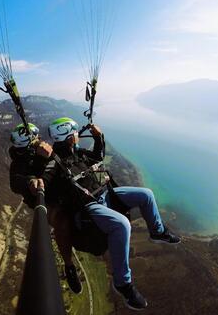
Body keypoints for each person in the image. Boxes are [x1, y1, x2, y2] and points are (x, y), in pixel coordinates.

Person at [33, 117, 180, 311]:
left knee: (146, 195)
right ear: (69, 136)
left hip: (107, 194)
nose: (78, 135)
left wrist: (98, 137)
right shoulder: (54, 162)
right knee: (122, 225)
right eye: (75, 133)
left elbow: (98, 157)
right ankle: (123, 283)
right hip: (88, 206)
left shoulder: (80, 154)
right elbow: (44, 178)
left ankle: (158, 231)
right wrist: (38, 177)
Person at [8, 123, 82, 294]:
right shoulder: (18, 165)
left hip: (59, 191)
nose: (39, 140)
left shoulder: (38, 152)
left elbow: (59, 163)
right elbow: (18, 184)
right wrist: (33, 177)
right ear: (27, 143)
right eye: (35, 138)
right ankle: (69, 266)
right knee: (61, 223)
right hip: (49, 201)